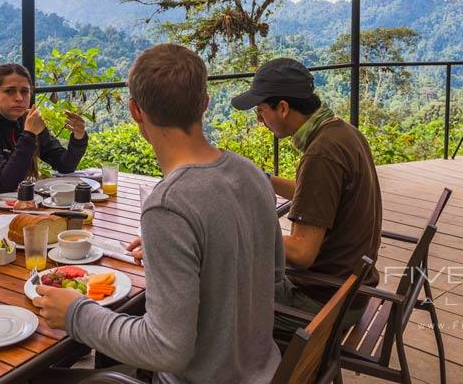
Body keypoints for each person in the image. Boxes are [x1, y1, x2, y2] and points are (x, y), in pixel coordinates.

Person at [33, 44, 283, 384]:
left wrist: (75, 314)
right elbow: (273, 274)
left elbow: (166, 349)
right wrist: (190, 260)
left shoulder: (170, 205)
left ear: (135, 111)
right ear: (205, 103)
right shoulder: (252, 174)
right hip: (264, 370)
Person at [231, 57, 383, 336]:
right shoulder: (341, 132)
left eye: (261, 111)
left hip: (323, 304)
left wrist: (240, 232)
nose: (261, 121)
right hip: (348, 290)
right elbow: (316, 192)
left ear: (283, 108)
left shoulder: (321, 155)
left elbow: (302, 253)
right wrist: (262, 179)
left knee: (219, 300)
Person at [0, 63, 88, 202]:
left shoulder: (26, 119)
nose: (19, 98)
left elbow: (64, 165)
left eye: (24, 91)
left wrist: (78, 137)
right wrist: (29, 135)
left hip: (12, 203)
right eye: (10, 91)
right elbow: (5, 183)